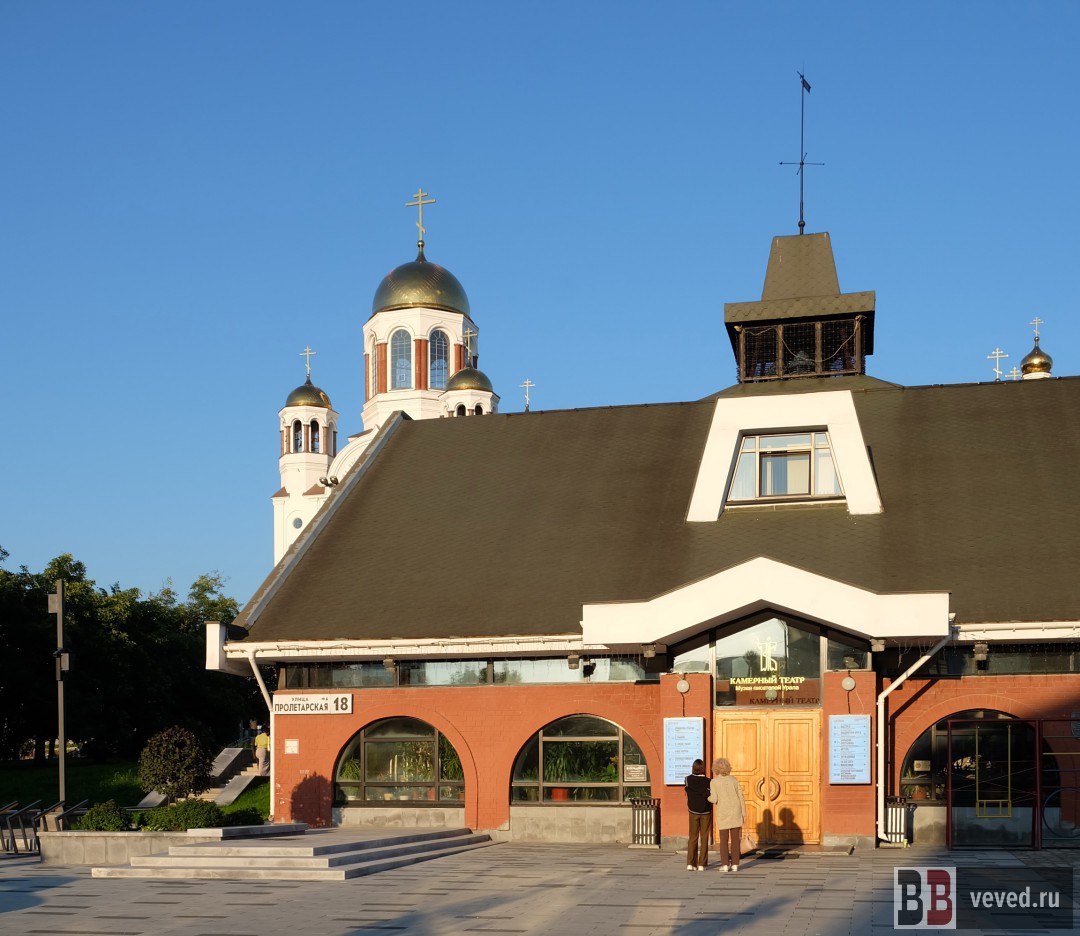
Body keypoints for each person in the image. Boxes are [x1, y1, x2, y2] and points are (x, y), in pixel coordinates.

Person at [709, 756, 746, 872]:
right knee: (735, 840)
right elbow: (741, 797)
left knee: (723, 840)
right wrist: (744, 813)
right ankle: (735, 864)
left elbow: (714, 799)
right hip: (736, 811)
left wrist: (707, 797)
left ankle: (725, 864)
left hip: (723, 813)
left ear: (715, 768)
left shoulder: (714, 782)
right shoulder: (734, 780)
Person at [683, 758, 712, 871]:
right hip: (706, 811)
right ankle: (702, 864)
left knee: (693, 837)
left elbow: (687, 790)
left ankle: (690, 863)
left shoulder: (688, 780)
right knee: (704, 837)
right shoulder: (708, 781)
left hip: (693, 811)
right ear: (703, 768)